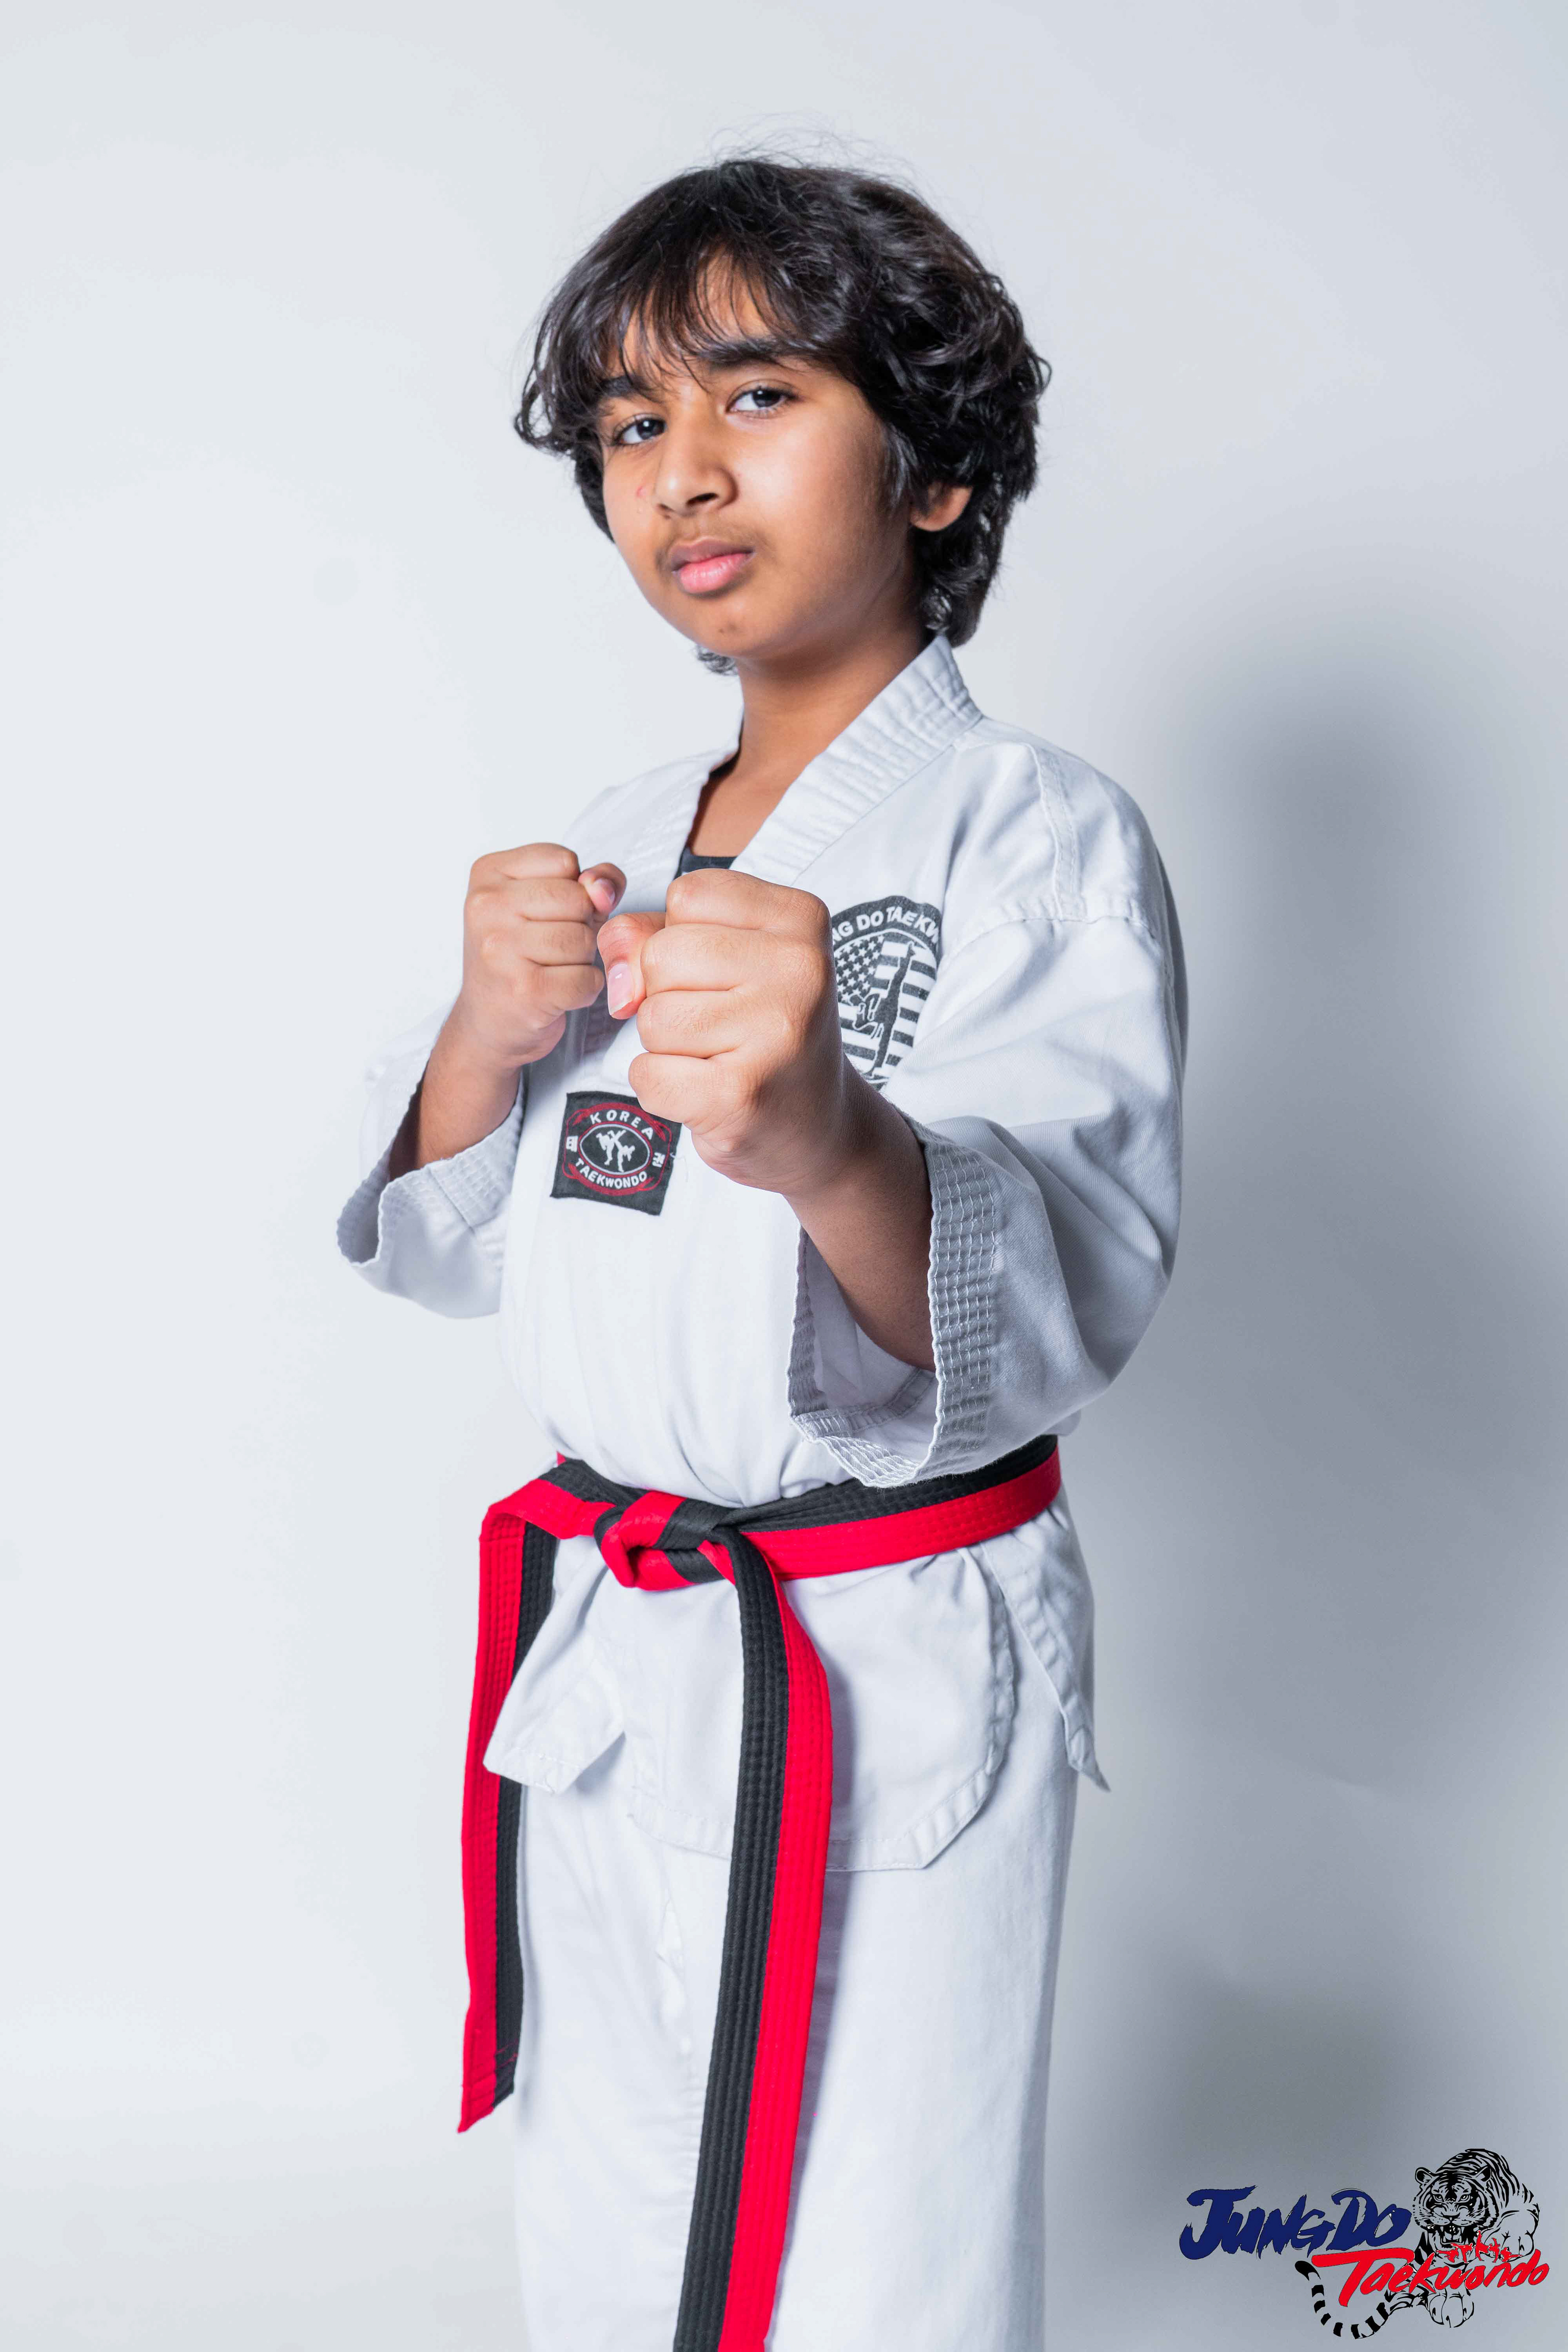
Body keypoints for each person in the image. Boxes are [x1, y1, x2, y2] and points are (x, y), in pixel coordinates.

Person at [337, 154, 1186, 2352]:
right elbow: (456, 1244)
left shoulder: (1035, 838)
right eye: (631, 423)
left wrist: (831, 1142)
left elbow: (1059, 1301)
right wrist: (484, 1037)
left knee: (876, 2252)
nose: (682, 471)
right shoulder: (617, 842)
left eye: (759, 395)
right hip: (620, 1655)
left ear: (937, 469)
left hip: (884, 1658)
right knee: (618, 2224)